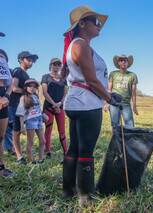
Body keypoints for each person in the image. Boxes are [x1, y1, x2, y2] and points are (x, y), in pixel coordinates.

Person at [61, 6, 121, 206]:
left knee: (75, 148)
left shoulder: (78, 44)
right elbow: (92, 80)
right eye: (95, 22)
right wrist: (109, 98)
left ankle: (68, 190)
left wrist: (108, 94)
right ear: (82, 24)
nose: (99, 25)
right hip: (87, 104)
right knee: (85, 150)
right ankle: (85, 196)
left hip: (79, 101)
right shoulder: (80, 45)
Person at [9, 51, 38, 164]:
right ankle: (19, 156)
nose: (31, 62)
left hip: (24, 106)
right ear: (21, 59)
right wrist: (27, 92)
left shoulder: (26, 75)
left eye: (32, 61)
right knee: (16, 131)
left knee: (23, 129)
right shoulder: (18, 71)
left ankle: (22, 152)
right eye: (29, 60)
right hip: (15, 105)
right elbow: (14, 88)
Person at [41, 58, 68, 158]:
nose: (56, 66)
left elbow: (66, 93)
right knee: (48, 130)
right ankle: (47, 151)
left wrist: (59, 103)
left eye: (58, 64)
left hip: (60, 108)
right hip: (48, 107)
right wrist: (53, 104)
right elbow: (44, 92)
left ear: (60, 66)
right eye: (54, 64)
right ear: (50, 65)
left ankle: (66, 152)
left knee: (62, 131)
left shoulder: (63, 79)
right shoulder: (46, 77)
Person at [16, 79, 46, 164]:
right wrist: (22, 126)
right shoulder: (23, 98)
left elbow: (38, 109)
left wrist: (43, 115)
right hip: (30, 120)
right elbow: (20, 113)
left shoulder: (36, 97)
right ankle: (31, 161)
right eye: (30, 86)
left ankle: (41, 159)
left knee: (43, 141)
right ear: (26, 87)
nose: (32, 88)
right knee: (30, 142)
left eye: (34, 86)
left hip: (39, 120)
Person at [107, 54, 138, 128]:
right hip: (114, 103)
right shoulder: (113, 74)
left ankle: (128, 140)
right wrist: (106, 103)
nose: (123, 62)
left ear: (128, 63)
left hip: (126, 104)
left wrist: (134, 106)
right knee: (115, 125)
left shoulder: (132, 75)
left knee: (130, 125)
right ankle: (117, 139)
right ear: (118, 63)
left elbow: (133, 93)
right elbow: (109, 89)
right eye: (121, 60)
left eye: (125, 60)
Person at [0, 49, 14, 177]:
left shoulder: (7, 69)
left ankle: (1, 168)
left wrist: (6, 97)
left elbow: (10, 85)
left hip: (3, 99)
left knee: (1, 137)